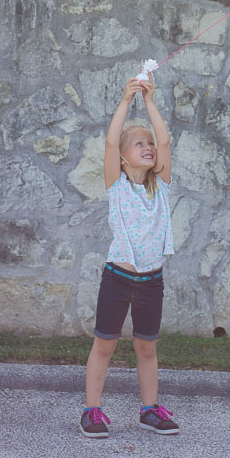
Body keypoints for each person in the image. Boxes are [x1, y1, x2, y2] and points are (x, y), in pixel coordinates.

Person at [80, 73, 179, 438]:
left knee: (147, 348)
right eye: (139, 144)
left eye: (149, 144)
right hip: (118, 279)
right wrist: (126, 100)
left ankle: (149, 410)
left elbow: (165, 139)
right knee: (105, 344)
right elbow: (110, 142)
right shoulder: (117, 185)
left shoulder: (162, 186)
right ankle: (92, 411)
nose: (149, 147)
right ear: (122, 159)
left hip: (151, 282)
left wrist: (149, 101)